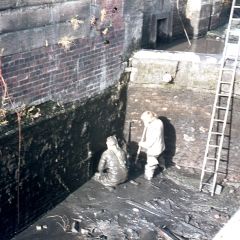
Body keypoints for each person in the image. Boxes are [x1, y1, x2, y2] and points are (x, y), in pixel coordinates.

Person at [138, 111, 165, 180]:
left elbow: (149, 144)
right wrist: (147, 124)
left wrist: (141, 144)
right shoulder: (159, 122)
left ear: (148, 119)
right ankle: (162, 167)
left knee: (151, 163)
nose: (143, 121)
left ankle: (149, 176)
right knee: (160, 157)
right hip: (161, 146)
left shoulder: (152, 129)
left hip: (154, 150)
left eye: (144, 120)